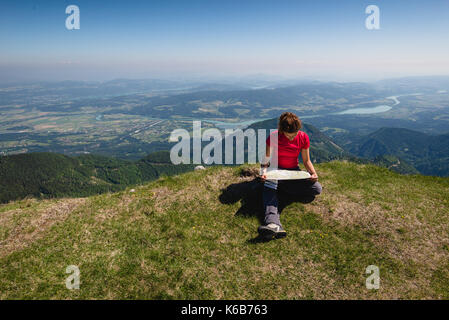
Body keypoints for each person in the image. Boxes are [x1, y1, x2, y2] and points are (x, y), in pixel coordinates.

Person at [258, 112, 322, 240]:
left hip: (293, 172)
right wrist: (263, 173)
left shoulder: (303, 137)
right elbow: (265, 160)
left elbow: (306, 161)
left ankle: (279, 190)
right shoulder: (273, 137)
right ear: (282, 131)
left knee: (316, 189)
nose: (292, 138)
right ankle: (273, 223)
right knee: (270, 185)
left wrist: (313, 173)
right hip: (275, 171)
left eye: (294, 134)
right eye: (288, 135)